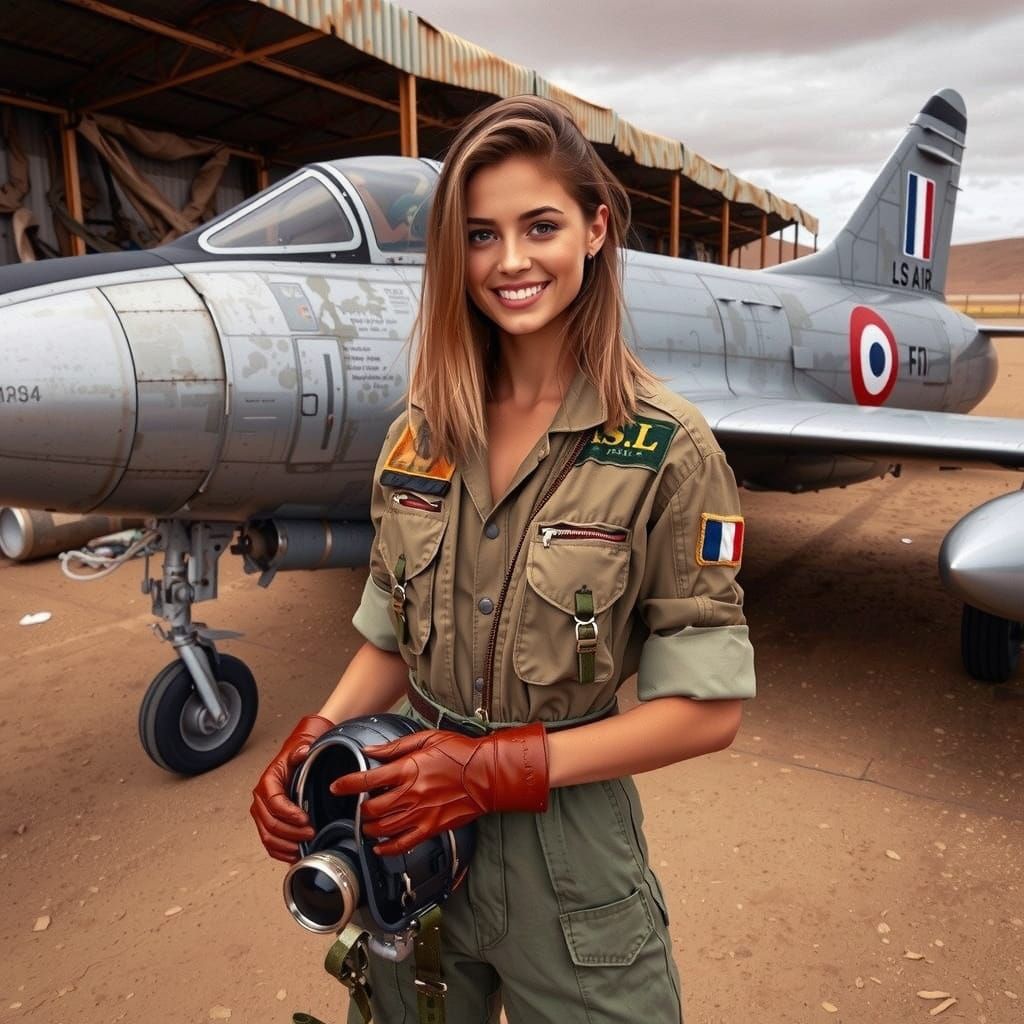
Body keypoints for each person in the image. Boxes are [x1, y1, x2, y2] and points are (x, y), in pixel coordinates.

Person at [250, 95, 756, 1023]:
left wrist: (486, 772)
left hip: (568, 858)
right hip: (403, 834)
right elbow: (387, 639)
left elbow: (706, 713)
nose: (511, 261)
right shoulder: (419, 436)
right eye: (481, 235)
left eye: (541, 226)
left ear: (596, 231)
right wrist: (315, 736)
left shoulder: (668, 449)